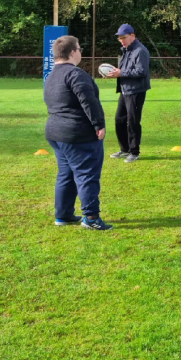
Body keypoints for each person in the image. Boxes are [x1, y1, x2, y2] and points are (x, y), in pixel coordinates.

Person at [43, 35, 111, 231]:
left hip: (56, 132)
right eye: (79, 48)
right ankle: (91, 217)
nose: (81, 52)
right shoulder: (76, 74)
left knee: (66, 174)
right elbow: (88, 101)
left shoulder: (51, 75)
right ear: (72, 52)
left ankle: (63, 215)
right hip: (77, 133)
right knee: (86, 174)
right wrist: (98, 124)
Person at [104, 23, 151, 163]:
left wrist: (121, 73)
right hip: (125, 91)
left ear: (133, 36)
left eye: (124, 38)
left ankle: (134, 152)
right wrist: (113, 73)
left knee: (133, 122)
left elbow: (141, 71)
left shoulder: (140, 51)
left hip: (136, 91)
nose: (122, 41)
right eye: (120, 39)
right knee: (120, 119)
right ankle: (124, 150)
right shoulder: (127, 50)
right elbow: (124, 70)